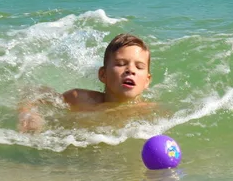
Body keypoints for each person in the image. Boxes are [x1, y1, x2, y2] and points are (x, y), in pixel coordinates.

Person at [18, 33, 152, 133]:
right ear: (103, 75)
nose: (130, 70)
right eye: (121, 64)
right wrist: (28, 113)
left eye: (139, 67)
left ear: (147, 81)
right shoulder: (80, 99)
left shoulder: (149, 112)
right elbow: (35, 92)